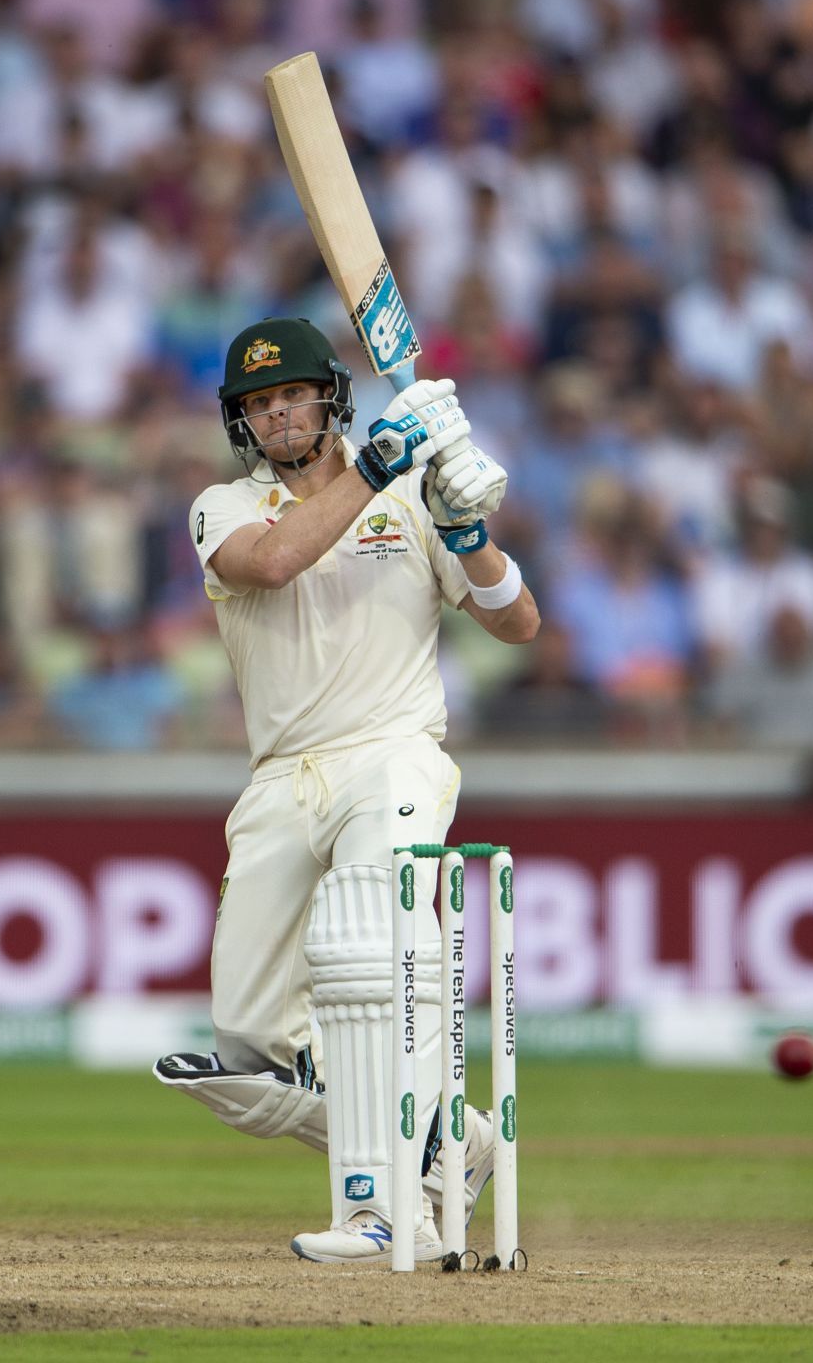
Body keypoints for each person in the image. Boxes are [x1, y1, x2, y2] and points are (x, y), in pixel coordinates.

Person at [153, 317, 538, 1265]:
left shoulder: (407, 491)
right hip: (282, 778)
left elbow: (519, 622)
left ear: (329, 396)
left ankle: (382, 1209)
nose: (277, 416)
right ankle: (457, 1143)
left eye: (291, 395)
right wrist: (378, 469)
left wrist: (472, 536)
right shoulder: (222, 506)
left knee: (373, 960)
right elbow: (276, 563)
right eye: (257, 404)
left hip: (392, 754)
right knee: (245, 1045)